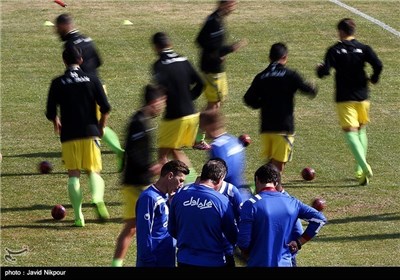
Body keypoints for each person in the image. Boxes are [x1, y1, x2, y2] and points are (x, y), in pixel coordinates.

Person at [45, 47, 111, 227]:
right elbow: (105, 106)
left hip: (69, 134)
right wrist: (102, 126)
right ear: (80, 60)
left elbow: (50, 111)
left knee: (73, 174)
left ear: (64, 61)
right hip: (90, 132)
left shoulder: (58, 82)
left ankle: (78, 216)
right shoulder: (92, 78)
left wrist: (56, 122)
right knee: (93, 171)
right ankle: (97, 199)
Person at [316, 18, 383, 186]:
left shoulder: (334, 50)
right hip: (363, 96)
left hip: (345, 97)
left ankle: (363, 165)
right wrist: (374, 78)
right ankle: (360, 172)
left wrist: (319, 69)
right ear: (353, 32)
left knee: (350, 132)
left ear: (341, 32)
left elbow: (325, 72)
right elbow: (378, 64)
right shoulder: (364, 48)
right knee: (361, 130)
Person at [55, 13, 124, 172]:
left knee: (92, 124)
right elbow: (99, 61)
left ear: (65, 26)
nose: (56, 31)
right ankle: (118, 151)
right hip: (98, 85)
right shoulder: (87, 39)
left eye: (58, 28)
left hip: (85, 90)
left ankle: (119, 151)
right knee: (96, 123)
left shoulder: (70, 45)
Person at [111, 84, 167, 267]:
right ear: (153, 101)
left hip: (140, 182)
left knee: (133, 227)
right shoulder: (137, 123)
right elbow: (132, 152)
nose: (162, 106)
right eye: (161, 102)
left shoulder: (145, 121)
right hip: (135, 183)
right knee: (136, 227)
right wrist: (152, 168)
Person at [243, 42, 318, 176]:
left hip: (266, 127)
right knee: (277, 168)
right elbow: (307, 89)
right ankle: (272, 193)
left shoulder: (261, 76)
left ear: (269, 57)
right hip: (283, 127)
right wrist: (313, 88)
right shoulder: (290, 74)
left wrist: (263, 103)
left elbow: (248, 99)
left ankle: (263, 189)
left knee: (271, 164)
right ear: (285, 57)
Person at [237, 163, 327, 267]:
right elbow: (319, 219)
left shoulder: (250, 204)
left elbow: (244, 242)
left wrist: (247, 252)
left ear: (257, 179)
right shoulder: (292, 202)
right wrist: (299, 242)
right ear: (276, 183)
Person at [151, 31, 204, 184]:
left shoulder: (158, 65)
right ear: (170, 44)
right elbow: (200, 83)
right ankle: (192, 183)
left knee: (162, 156)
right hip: (192, 115)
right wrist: (190, 97)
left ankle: (160, 189)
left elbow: (160, 91)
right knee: (175, 150)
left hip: (174, 117)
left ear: (155, 47)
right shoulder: (184, 59)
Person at [194, 0, 247, 150]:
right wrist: (225, 50)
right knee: (213, 106)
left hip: (217, 69)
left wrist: (218, 53)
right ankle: (199, 138)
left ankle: (202, 134)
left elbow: (204, 41)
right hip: (211, 70)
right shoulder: (214, 22)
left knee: (218, 103)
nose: (233, 8)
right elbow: (201, 41)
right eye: (231, 4)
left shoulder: (217, 19)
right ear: (223, 4)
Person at [168, 158, 238, 267]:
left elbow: (172, 229)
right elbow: (232, 236)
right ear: (220, 179)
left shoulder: (180, 196)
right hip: (214, 261)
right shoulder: (221, 201)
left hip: (185, 260)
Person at [136, 160, 190, 267]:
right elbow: (144, 233)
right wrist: (148, 260)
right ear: (170, 176)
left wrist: (171, 203)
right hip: (153, 261)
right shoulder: (149, 198)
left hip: (167, 258)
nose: (181, 185)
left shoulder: (167, 196)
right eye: (180, 180)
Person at [199, 109, 251, 200]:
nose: (201, 129)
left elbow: (213, 179)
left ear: (211, 125)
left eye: (203, 126)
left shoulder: (216, 148)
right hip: (243, 194)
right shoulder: (234, 140)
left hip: (227, 199)